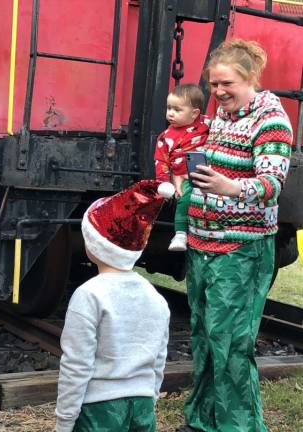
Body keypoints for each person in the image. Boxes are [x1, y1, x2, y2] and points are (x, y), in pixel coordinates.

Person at [180, 39, 293, 432]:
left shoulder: (271, 118)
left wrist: (231, 188)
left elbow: (271, 183)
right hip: (202, 244)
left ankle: (239, 427)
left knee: (230, 344)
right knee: (205, 339)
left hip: (241, 248)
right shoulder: (222, 117)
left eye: (226, 83)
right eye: (213, 85)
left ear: (250, 79)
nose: (217, 92)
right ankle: (203, 419)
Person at [55, 179, 174, 432]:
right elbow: (159, 359)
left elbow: (76, 365)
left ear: (95, 245)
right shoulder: (156, 298)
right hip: (142, 406)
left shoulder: (88, 295)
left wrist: (64, 421)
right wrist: (150, 398)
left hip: (98, 411)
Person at [154, 84, 209, 252]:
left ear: (194, 113)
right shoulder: (165, 137)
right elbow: (161, 161)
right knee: (185, 198)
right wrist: (164, 182)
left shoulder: (205, 124)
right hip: (183, 176)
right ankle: (180, 234)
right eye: (169, 108)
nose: (171, 113)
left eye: (177, 110)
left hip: (205, 173)